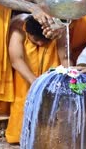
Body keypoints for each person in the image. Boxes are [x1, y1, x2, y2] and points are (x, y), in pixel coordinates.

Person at [5, 14, 61, 143]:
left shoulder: (56, 30)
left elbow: (64, 58)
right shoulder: (19, 27)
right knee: (23, 101)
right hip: (25, 75)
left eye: (45, 41)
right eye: (36, 40)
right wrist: (37, 84)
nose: (41, 43)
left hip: (51, 73)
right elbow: (16, 60)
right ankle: (20, 138)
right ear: (27, 32)